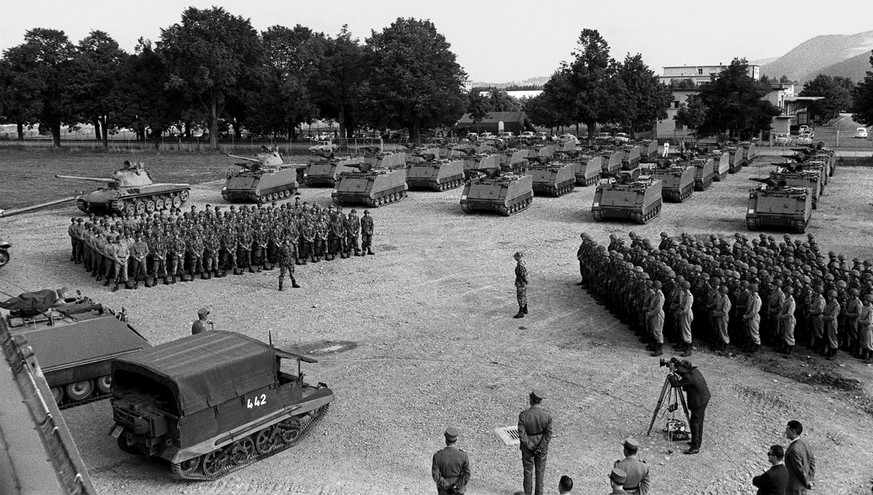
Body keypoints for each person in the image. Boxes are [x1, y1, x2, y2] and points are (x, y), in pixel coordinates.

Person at [668, 360, 710, 454]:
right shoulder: (693, 371)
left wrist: (671, 374)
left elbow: (675, 384)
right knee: (698, 422)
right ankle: (696, 442)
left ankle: (695, 447)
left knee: (695, 423)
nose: (677, 368)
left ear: (684, 368)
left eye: (679, 367)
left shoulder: (689, 377)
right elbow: (684, 375)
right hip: (703, 398)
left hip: (698, 401)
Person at [518, 389, 552, 495]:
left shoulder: (523, 415)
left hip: (528, 446)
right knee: (540, 471)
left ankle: (528, 493)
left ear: (531, 400)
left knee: (528, 472)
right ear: (540, 401)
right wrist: (540, 447)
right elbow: (548, 434)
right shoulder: (547, 416)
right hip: (542, 446)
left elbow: (522, 435)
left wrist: (531, 446)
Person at [431, 427, 470, 495]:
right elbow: (467, 474)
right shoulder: (463, 455)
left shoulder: (438, 456)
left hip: (444, 491)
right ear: (456, 440)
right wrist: (457, 486)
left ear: (446, 440)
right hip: (459, 491)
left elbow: (435, 475)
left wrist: (447, 487)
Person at [785, 420, 815, 494]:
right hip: (802, 487)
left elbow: (799, 469)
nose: (786, 432)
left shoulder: (793, 449)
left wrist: (807, 481)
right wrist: (810, 479)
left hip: (794, 488)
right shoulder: (805, 444)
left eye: (787, 429)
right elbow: (812, 461)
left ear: (793, 431)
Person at [647, 281, 665, 357]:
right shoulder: (656, 294)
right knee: (654, 330)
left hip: (658, 314)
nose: (652, 289)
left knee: (658, 331)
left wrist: (650, 314)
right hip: (654, 313)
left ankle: (659, 349)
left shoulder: (660, 296)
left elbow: (658, 309)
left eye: (654, 287)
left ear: (657, 288)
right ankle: (655, 346)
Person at [744, 283, 763, 353]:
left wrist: (746, 316)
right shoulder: (751, 297)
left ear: (753, 291)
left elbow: (754, 312)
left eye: (749, 290)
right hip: (750, 316)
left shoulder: (757, 299)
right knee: (749, 332)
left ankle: (757, 348)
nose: (748, 291)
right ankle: (751, 347)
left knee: (754, 333)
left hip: (754, 317)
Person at [514, 251, 529, 319]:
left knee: (520, 297)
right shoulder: (523, 263)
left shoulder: (520, 266)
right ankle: (525, 309)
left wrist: (524, 280)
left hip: (521, 283)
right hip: (524, 283)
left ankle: (521, 312)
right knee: (524, 296)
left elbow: (521, 275)